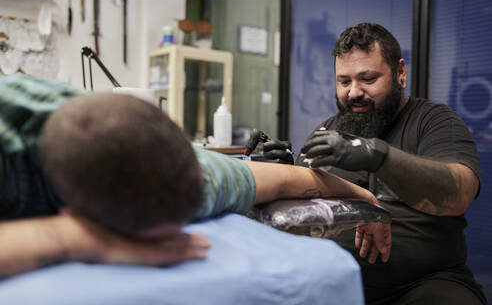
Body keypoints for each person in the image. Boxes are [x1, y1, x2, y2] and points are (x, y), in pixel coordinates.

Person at [0, 73, 388, 279]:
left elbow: (290, 179)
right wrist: (88, 242)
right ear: (75, 213)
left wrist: (369, 204)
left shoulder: (196, 173)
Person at [264, 23, 486, 304]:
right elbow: (300, 213)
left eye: (367, 79)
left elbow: (459, 193)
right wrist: (283, 174)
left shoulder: (434, 121)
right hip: (335, 283)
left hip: (423, 283)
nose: (353, 92)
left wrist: (378, 155)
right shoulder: (326, 133)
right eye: (344, 81)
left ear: (400, 73)